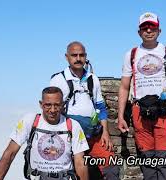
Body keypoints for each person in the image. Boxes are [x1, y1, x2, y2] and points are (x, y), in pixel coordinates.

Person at [118, 12, 166, 180]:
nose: (148, 30)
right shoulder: (131, 54)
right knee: (147, 162)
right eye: (144, 27)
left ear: (159, 30)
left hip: (164, 111)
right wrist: (120, 115)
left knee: (164, 161)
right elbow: (124, 87)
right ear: (139, 32)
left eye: (152, 27)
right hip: (139, 112)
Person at [50, 41, 119, 180]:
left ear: (85, 56)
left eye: (81, 55)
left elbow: (100, 108)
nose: (78, 58)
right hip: (70, 137)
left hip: (94, 134)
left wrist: (105, 133)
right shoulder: (58, 80)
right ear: (67, 57)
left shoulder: (92, 79)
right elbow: (52, 110)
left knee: (111, 166)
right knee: (72, 170)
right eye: (74, 55)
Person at [0, 87, 89, 180]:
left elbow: (80, 162)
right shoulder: (29, 121)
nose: (52, 110)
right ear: (41, 104)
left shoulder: (73, 126)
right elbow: (10, 153)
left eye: (57, 105)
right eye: (48, 105)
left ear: (63, 105)